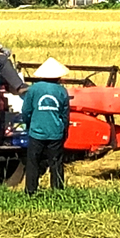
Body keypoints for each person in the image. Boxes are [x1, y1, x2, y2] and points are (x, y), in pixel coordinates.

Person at [21, 57, 71, 196]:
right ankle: (57, 191)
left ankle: (30, 191)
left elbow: (26, 111)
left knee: (33, 162)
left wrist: (29, 124)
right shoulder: (61, 91)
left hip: (36, 131)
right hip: (56, 132)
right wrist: (65, 130)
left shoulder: (33, 89)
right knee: (56, 163)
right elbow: (65, 114)